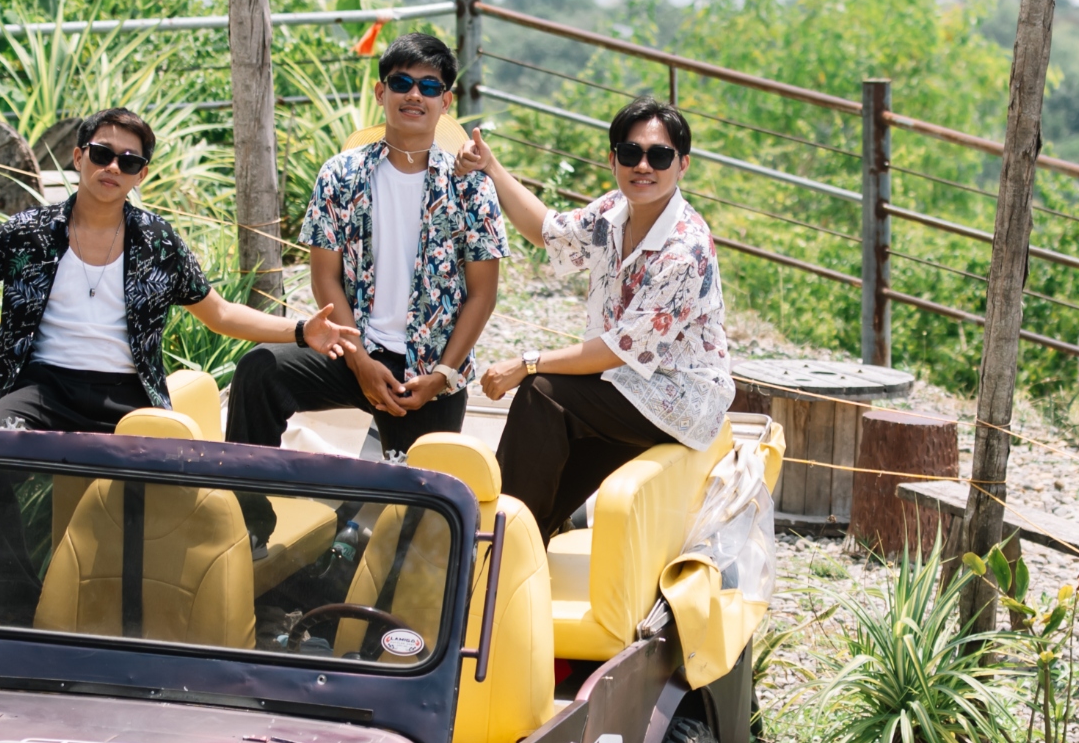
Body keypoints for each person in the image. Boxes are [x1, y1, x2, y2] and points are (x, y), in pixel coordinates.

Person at [0, 105, 356, 619]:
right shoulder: (31, 233)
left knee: (157, 496)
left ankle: (144, 617)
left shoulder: (156, 243)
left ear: (141, 175)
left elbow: (218, 313)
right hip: (44, 391)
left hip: (127, 396)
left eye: (129, 161)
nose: (113, 167)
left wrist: (301, 331)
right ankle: (14, 605)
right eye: (102, 154)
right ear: (78, 158)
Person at [459, 98, 735, 540]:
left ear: (682, 165)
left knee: (542, 393)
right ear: (613, 159)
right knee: (544, 488)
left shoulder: (686, 249)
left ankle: (494, 543)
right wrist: (491, 167)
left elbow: (619, 350)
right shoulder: (613, 212)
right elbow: (547, 231)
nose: (642, 166)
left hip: (676, 397)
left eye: (659, 156)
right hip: (623, 388)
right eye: (630, 153)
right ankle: (517, 553)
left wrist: (526, 362)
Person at [231, 31, 505, 466]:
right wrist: (359, 363)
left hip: (430, 371)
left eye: (430, 87)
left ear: (445, 102)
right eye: (402, 83)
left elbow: (482, 294)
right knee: (259, 370)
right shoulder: (341, 174)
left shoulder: (471, 186)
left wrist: (441, 376)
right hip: (353, 352)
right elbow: (324, 276)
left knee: (411, 510)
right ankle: (249, 515)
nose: (415, 95)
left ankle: (357, 523)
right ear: (381, 92)